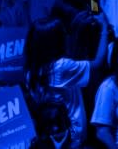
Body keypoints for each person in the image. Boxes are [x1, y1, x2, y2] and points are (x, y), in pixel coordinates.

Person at [24, 16, 109, 149]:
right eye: (61, 34)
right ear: (54, 41)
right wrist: (104, 28)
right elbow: (98, 62)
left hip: (52, 135)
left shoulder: (31, 72)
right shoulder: (61, 67)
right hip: (73, 136)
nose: (65, 36)